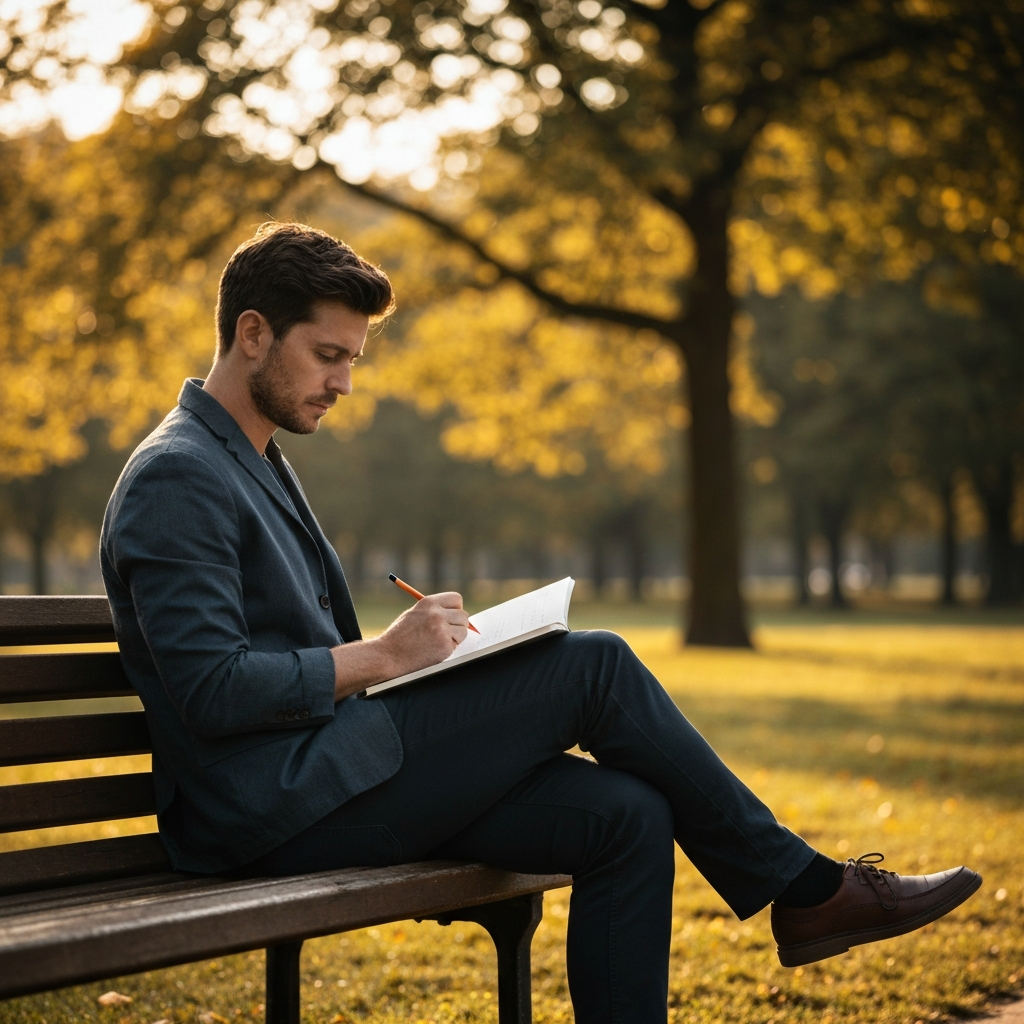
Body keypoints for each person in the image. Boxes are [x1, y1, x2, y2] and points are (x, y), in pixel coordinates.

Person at [101, 222, 981, 1024]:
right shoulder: (179, 474)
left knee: (629, 813)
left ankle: (805, 893)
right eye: (328, 355)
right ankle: (807, 889)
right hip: (267, 814)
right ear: (253, 333)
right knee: (593, 664)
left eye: (353, 360)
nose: (344, 383)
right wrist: (383, 657)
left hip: (329, 774)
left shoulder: (252, 458)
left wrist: (423, 661)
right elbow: (212, 689)